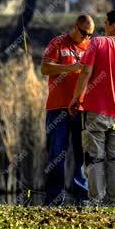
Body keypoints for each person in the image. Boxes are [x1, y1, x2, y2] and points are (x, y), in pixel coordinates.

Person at [69, 9, 115, 208]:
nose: (103, 26)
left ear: (112, 25)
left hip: (95, 112)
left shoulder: (97, 43)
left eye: (105, 22)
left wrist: (76, 98)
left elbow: (85, 72)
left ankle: (97, 201)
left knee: (95, 158)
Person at [41, 15, 95, 205]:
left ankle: (81, 197)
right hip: (58, 108)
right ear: (75, 27)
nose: (86, 37)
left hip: (81, 109)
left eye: (90, 34)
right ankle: (54, 197)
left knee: (81, 153)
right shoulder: (58, 43)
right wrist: (71, 67)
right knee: (56, 154)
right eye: (83, 33)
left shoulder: (90, 46)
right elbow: (45, 68)